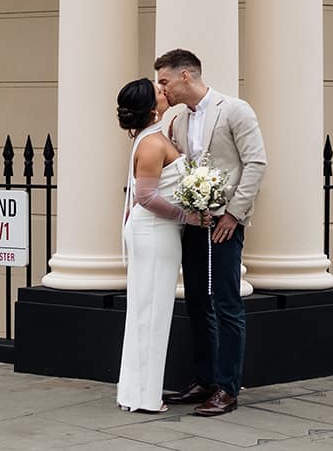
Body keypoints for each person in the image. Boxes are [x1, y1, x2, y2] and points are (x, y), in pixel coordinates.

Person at [155, 48, 267, 418]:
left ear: (185, 76)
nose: (163, 89)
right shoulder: (179, 121)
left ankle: (227, 388)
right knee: (198, 303)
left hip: (224, 224)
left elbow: (256, 163)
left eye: (165, 81)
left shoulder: (235, 109)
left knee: (226, 303)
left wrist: (233, 215)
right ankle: (203, 380)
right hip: (193, 222)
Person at [115, 77, 200, 413]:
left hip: (158, 233)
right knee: (150, 314)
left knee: (147, 312)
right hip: (154, 233)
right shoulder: (151, 144)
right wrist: (187, 217)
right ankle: (146, 397)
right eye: (158, 91)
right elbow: (146, 197)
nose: (163, 91)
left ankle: (135, 392)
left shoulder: (152, 136)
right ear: (152, 108)